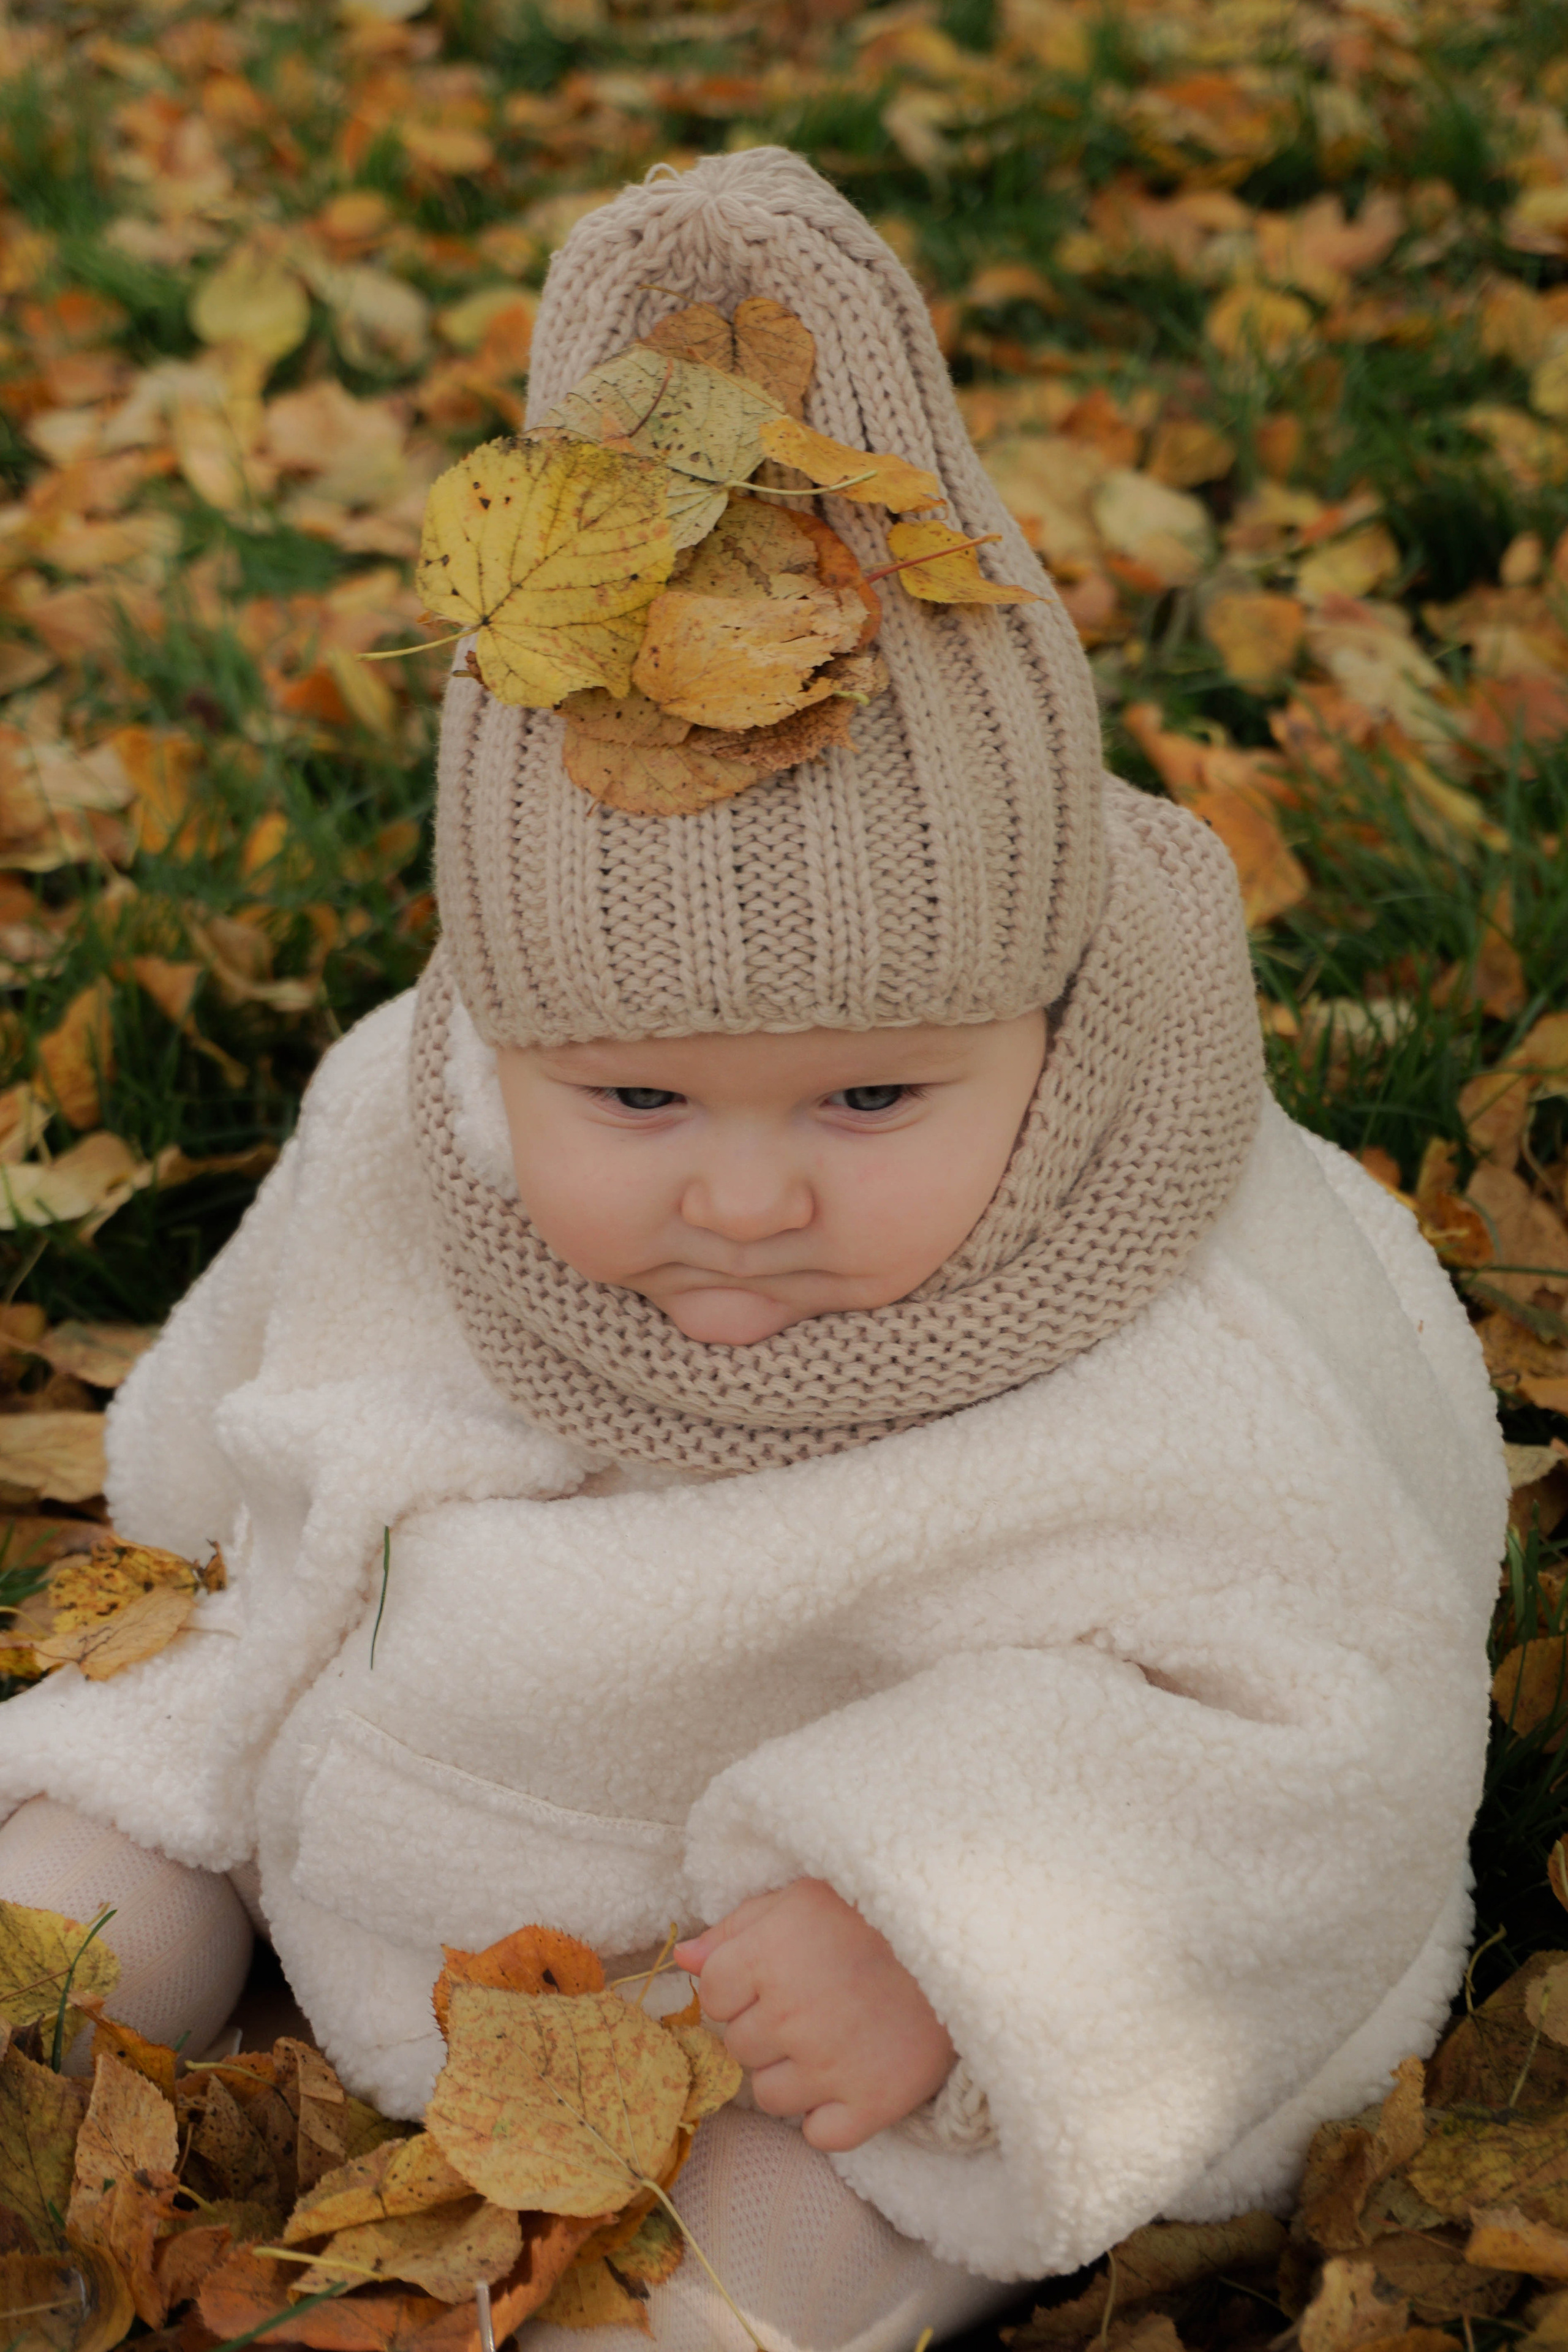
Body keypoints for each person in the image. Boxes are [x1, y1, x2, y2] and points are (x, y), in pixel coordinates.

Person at [0, 149, 1506, 2352]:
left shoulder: (1189, 1340)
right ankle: (59, 1996)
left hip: (804, 1972)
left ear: (1046, 1029)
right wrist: (228, 1590)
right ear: (509, 1033)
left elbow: (1324, 1735)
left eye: (872, 1101)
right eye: (634, 1102)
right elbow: (258, 1400)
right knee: (117, 1815)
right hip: (400, 1800)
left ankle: (702, 2312)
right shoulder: (419, 1123)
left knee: (846, 2170)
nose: (744, 1193)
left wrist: (943, 1927)